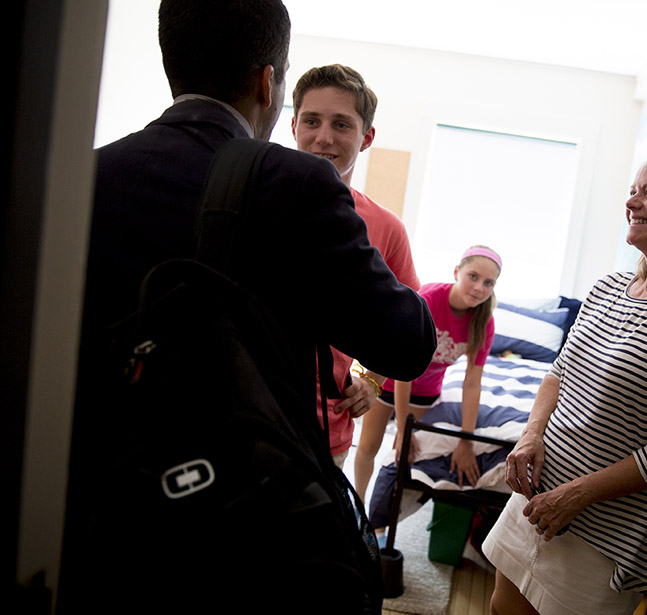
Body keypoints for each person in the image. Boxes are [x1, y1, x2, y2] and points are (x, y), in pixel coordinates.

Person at [60, 0, 436, 610]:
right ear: (269, 83)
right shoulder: (299, 186)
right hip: (240, 501)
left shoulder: (86, 173)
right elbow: (409, 342)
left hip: (98, 491)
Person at [482, 143, 647, 615]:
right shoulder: (607, 288)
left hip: (604, 527)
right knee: (502, 608)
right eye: (633, 189)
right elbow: (558, 373)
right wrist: (530, 435)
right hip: (537, 497)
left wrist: (577, 494)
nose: (632, 201)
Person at [291, 63, 421, 468]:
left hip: (328, 430)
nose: (323, 137)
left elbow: (407, 326)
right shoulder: (253, 202)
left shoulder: (386, 227)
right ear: (293, 126)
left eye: (341, 124)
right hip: (247, 421)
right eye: (312, 121)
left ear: (366, 138)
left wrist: (373, 381)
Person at [354, 246, 502, 505]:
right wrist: (403, 427)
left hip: (425, 391)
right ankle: (357, 504)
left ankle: (380, 512)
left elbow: (471, 384)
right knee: (368, 446)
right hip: (390, 376)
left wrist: (466, 440)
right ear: (456, 272)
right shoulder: (429, 299)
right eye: (473, 276)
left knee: (404, 454)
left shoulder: (483, 322)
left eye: (488, 283)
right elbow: (404, 365)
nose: (479, 288)